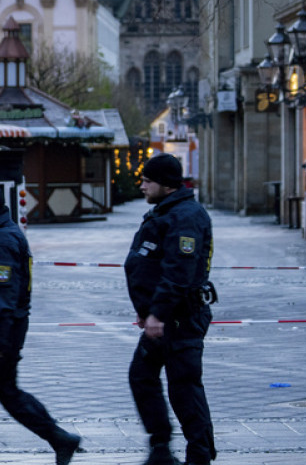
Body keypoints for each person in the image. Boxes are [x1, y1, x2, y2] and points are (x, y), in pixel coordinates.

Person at [0, 183, 81, 465]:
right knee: (8, 393)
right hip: (1, 331)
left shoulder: (2, 241)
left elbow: (4, 295)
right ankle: (61, 439)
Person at [125, 153, 216, 465]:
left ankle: (200, 456)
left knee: (184, 388)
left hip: (179, 319)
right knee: (142, 376)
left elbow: (179, 272)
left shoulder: (186, 217)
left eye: (147, 181)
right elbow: (150, 264)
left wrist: (157, 313)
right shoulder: (166, 211)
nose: (142, 186)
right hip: (163, 318)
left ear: (165, 185)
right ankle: (161, 448)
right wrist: (146, 309)